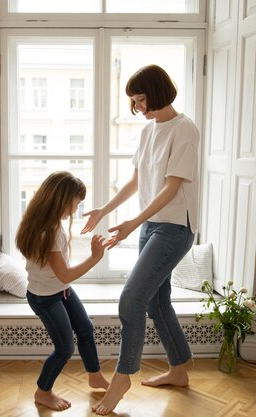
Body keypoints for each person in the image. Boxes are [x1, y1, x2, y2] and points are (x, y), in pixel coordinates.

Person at [81, 64, 200, 415]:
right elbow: (138, 179)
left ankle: (122, 376)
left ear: (158, 92)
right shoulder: (150, 131)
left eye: (141, 99)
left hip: (175, 227)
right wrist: (105, 209)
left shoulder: (185, 130)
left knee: (130, 299)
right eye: (134, 102)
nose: (139, 108)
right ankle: (179, 370)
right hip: (152, 226)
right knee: (156, 302)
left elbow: (171, 186)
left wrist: (133, 221)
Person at [15, 171, 110, 411]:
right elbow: (65, 274)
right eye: (76, 203)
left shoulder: (39, 221)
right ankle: (43, 391)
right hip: (45, 298)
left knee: (86, 329)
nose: (76, 208)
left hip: (59, 291)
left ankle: (95, 375)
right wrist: (95, 258)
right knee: (65, 348)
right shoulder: (50, 231)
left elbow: (59, 276)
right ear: (62, 199)